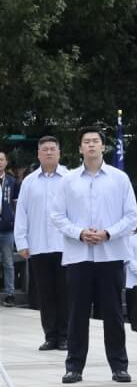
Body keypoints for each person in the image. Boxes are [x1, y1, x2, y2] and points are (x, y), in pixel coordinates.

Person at [51, 126, 137, 384]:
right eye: (86, 141)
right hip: (78, 256)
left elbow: (131, 216)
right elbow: (57, 215)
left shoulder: (119, 178)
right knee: (77, 313)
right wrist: (79, 233)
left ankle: (119, 366)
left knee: (113, 313)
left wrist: (108, 233)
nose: (91, 145)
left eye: (95, 141)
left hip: (110, 254)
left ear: (103, 146)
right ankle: (74, 366)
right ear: (80, 148)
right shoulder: (68, 180)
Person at [13, 136, 70, 349]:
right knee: (45, 293)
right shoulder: (29, 181)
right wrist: (22, 242)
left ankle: (65, 335)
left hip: (65, 246)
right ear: (38, 154)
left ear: (59, 153)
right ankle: (50, 336)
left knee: (64, 293)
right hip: (38, 245)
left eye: (52, 149)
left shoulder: (70, 178)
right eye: (44, 149)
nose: (48, 152)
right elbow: (22, 214)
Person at [0, 151, 19, 307]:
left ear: (6, 162)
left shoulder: (12, 182)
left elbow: (16, 205)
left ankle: (10, 293)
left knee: (8, 262)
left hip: (7, 229)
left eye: (1, 159)